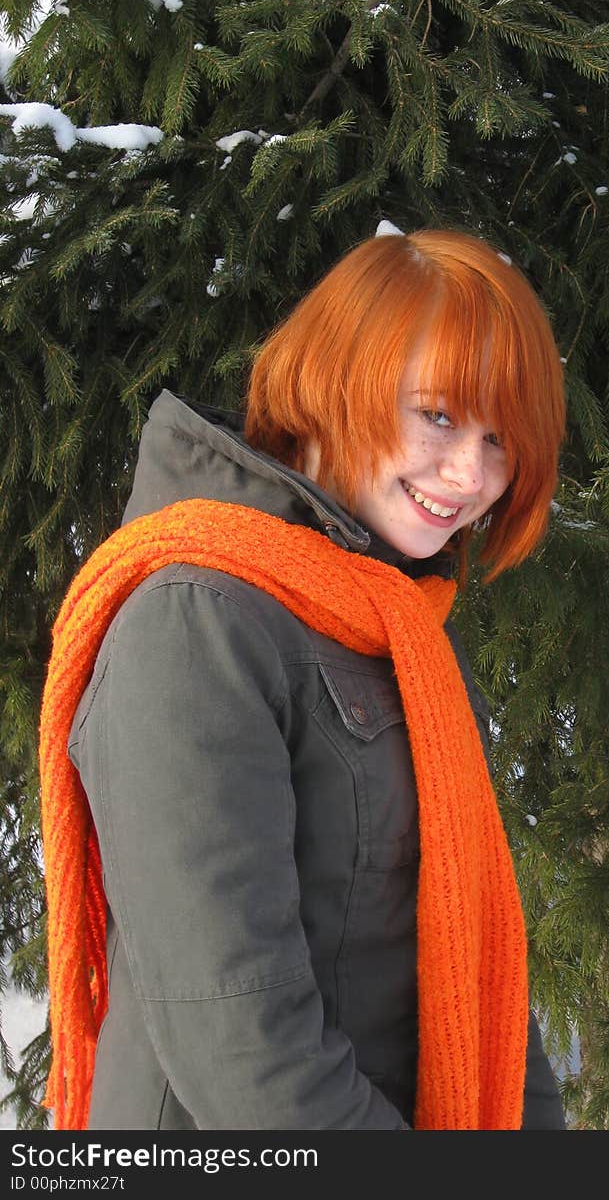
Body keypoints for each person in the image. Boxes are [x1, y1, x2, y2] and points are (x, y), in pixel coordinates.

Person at [39, 227, 567, 1131]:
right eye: (438, 415)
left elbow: (478, 975)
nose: (471, 473)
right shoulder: (198, 618)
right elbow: (244, 1048)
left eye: (500, 440)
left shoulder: (394, 623)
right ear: (338, 377)